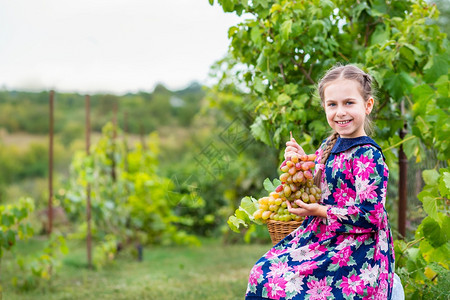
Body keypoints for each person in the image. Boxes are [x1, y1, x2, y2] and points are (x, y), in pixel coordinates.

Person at [245, 64, 401, 299]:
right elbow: (315, 185)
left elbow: (371, 216)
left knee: (294, 287)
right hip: (324, 237)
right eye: (332, 104)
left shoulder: (367, 155)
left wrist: (320, 210)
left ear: (367, 106)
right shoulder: (328, 147)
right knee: (262, 273)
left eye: (349, 103)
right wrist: (300, 160)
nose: (340, 112)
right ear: (325, 107)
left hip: (355, 247)